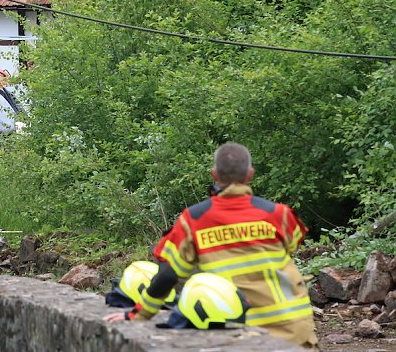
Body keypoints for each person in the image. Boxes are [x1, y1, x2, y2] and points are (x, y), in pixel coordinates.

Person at [105, 142, 317, 348]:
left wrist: (138, 315)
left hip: (239, 333)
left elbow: (168, 274)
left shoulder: (194, 219)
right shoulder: (279, 214)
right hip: (293, 330)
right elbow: (293, 245)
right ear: (250, 174)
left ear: (214, 174)